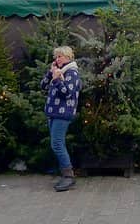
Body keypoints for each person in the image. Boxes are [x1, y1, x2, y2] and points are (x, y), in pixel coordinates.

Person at [40, 46, 81, 192]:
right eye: (56, 57)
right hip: (53, 113)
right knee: (57, 143)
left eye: (60, 56)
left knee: (57, 144)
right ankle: (65, 174)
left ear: (68, 57)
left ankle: (68, 176)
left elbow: (67, 93)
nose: (57, 59)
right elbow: (43, 86)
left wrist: (57, 79)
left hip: (63, 114)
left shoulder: (72, 73)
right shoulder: (58, 71)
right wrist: (51, 73)